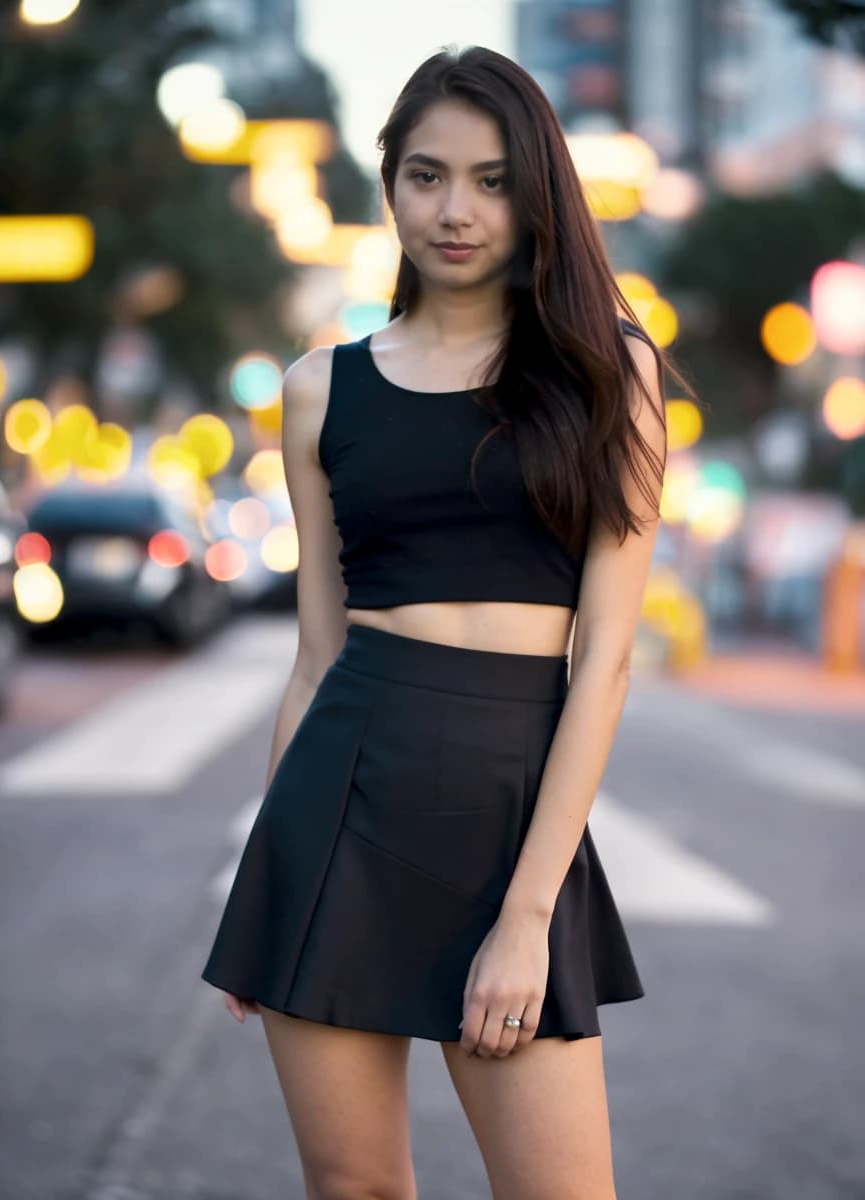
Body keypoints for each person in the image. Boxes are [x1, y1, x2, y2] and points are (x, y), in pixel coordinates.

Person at [201, 43, 699, 1200]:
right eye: (425, 176)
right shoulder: (320, 387)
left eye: (489, 179)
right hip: (339, 806)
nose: (455, 209)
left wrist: (525, 916)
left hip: (509, 812)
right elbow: (317, 652)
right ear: (388, 188)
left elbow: (605, 662)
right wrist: (268, 876)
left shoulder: (605, 373)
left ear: (536, 196)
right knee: (355, 1187)